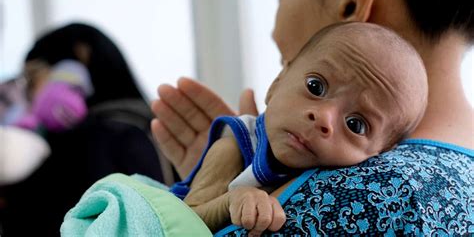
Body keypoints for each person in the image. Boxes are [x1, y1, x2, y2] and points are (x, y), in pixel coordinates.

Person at [152, 0, 474, 235]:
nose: (322, 119)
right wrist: (229, 176)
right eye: (316, 88)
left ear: (349, 1)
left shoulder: (350, 196)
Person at [170, 22, 428, 234]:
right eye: (315, 87)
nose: (324, 118)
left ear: (380, 154)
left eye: (355, 124)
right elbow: (179, 221)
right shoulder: (234, 148)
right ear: (276, 83)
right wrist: (234, 199)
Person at [0, 23, 173, 236]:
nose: (28, 94)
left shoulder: (89, 140)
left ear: (74, 71)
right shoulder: (156, 127)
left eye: (32, 78)